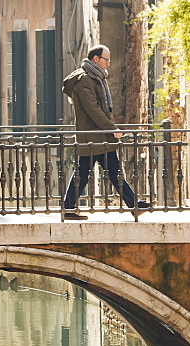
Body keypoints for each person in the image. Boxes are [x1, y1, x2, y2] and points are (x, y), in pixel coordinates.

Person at [61, 45, 146, 219]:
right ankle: (68, 208)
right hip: (92, 136)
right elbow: (93, 109)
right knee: (84, 172)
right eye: (106, 59)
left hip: (99, 135)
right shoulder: (84, 80)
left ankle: (134, 205)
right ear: (95, 59)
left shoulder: (96, 78)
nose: (108, 63)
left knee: (111, 171)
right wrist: (112, 128)